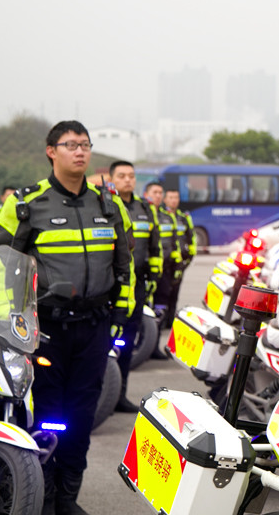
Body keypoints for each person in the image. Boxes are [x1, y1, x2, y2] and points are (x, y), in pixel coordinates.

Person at [0, 121, 132, 515]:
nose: (80, 152)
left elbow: (125, 263)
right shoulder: (26, 203)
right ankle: (45, 496)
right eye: (70, 145)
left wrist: (123, 310)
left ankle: (68, 497)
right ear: (51, 151)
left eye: (85, 144)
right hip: (46, 329)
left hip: (95, 327)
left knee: (82, 415)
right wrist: (6, 324)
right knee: (49, 414)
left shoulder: (109, 204)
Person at [109, 160, 162, 413]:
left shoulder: (145, 208)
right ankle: (102, 395)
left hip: (137, 284)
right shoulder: (104, 204)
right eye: (122, 176)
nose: (128, 180)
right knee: (106, 342)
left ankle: (119, 395)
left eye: (131, 176)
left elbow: (155, 244)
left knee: (128, 342)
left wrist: (154, 272)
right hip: (110, 284)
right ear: (112, 179)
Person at [146, 181, 180, 356]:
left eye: (160, 192)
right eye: (155, 192)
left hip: (165, 272)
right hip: (146, 272)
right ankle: (142, 347)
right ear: (146, 194)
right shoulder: (142, 214)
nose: (158, 195)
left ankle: (154, 348)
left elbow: (175, 244)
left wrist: (177, 267)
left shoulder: (168, 217)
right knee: (145, 311)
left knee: (160, 310)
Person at [164, 189, 196, 324]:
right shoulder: (160, 216)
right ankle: (162, 320)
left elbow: (191, 239)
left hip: (180, 264)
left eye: (176, 197)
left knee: (174, 293)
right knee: (163, 293)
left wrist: (188, 259)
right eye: (170, 197)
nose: (174, 200)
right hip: (165, 263)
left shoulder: (183, 218)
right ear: (165, 199)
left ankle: (170, 320)